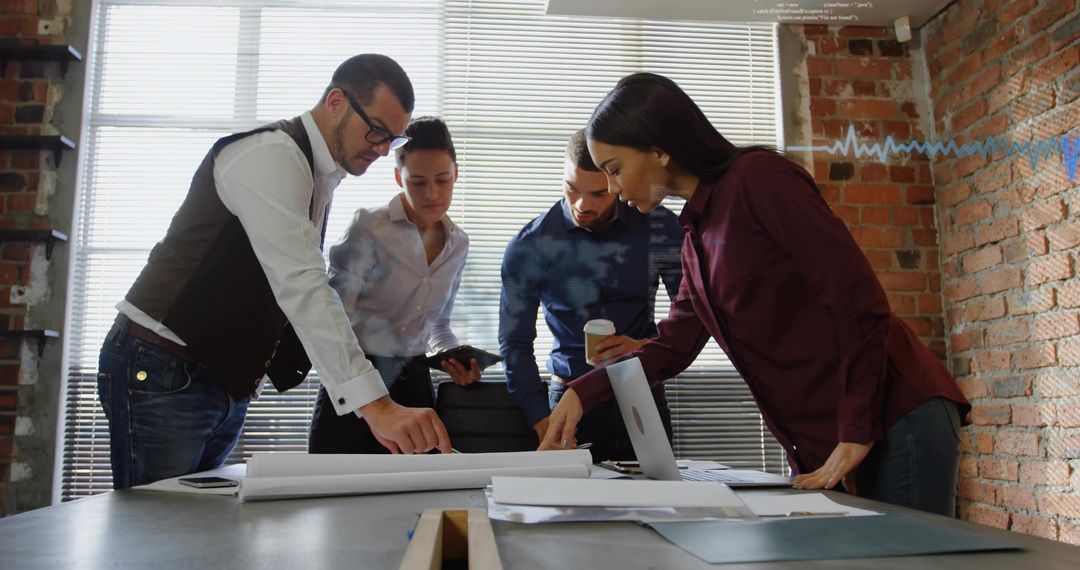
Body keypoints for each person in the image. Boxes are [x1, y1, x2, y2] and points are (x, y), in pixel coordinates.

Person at [540, 73, 970, 517]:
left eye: (614, 170)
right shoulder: (695, 242)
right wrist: (580, 393)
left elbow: (858, 301)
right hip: (837, 431)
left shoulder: (761, 180)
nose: (613, 190)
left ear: (658, 149)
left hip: (896, 412)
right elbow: (672, 347)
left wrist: (857, 427)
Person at [97, 54, 451, 489]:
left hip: (220, 381)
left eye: (392, 140)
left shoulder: (321, 173)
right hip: (163, 366)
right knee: (159, 534)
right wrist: (377, 405)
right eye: (376, 131)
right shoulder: (272, 156)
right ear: (336, 101)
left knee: (197, 535)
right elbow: (303, 285)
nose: (382, 149)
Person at [500, 129, 684, 462]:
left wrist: (645, 347)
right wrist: (543, 421)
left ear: (615, 181)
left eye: (598, 193)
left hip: (642, 394)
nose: (583, 205)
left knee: (660, 503)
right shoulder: (529, 246)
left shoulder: (659, 227)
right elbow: (514, 343)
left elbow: (691, 315)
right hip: (569, 400)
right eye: (572, 189)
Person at [309, 116, 480, 453]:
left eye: (443, 180)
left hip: (415, 385)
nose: (432, 193)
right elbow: (333, 317)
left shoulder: (458, 243)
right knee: (336, 494)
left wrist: (452, 356)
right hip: (360, 381)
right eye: (418, 182)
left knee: (417, 497)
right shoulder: (368, 227)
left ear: (456, 174)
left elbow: (437, 325)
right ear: (398, 177)